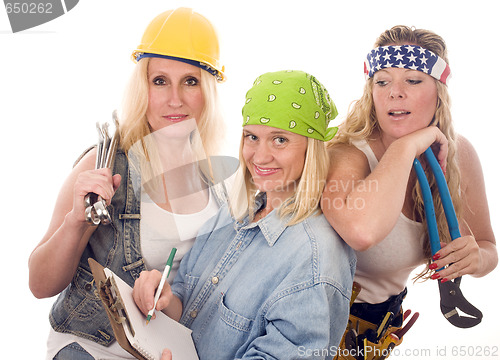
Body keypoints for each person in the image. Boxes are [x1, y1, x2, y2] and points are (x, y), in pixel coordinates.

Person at [28, 7, 233, 359]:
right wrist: (75, 222)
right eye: (160, 81)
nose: (175, 99)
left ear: (209, 90)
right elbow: (40, 283)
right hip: (91, 347)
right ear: (143, 87)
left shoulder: (219, 184)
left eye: (190, 81)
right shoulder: (104, 164)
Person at [133, 70, 356, 360]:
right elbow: (187, 303)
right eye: (252, 137)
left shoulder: (315, 258)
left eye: (280, 140)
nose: (260, 157)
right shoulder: (232, 215)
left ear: (310, 148)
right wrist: (166, 299)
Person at [321, 25, 497, 335]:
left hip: (374, 336)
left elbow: (488, 247)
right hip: (315, 328)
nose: (394, 92)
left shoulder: (460, 153)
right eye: (382, 81)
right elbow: (360, 230)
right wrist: (406, 145)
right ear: (371, 91)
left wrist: (476, 260)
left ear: (439, 91)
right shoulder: (346, 150)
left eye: (413, 80)